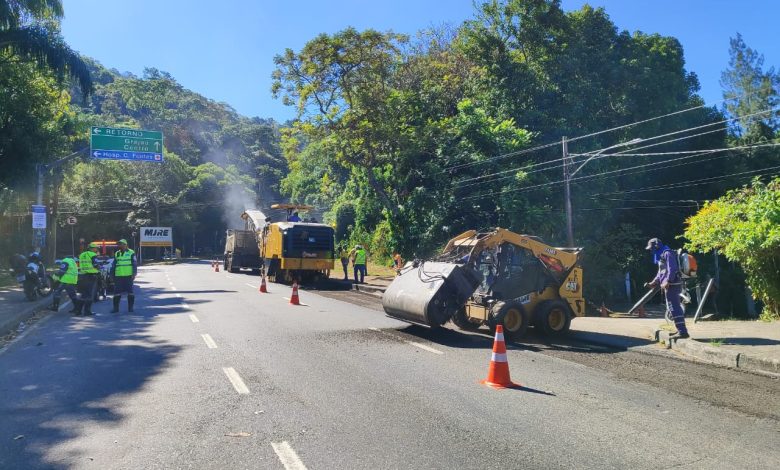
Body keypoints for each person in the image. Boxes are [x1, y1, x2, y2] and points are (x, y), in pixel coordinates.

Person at [645, 238, 689, 339]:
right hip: (669, 285)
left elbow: (672, 269)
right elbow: (661, 272)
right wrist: (654, 282)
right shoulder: (661, 256)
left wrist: (668, 281)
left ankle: (682, 331)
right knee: (672, 307)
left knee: (674, 307)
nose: (651, 251)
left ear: (656, 246)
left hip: (672, 284)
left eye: (651, 248)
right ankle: (680, 330)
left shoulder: (667, 253)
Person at [111, 239, 137, 313]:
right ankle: (115, 309)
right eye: (119, 244)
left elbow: (134, 264)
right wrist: (112, 275)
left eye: (121, 244)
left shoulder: (131, 252)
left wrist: (134, 273)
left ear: (125, 245)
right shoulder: (117, 253)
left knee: (130, 292)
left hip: (128, 276)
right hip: (118, 276)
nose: (119, 245)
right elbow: (114, 265)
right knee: (116, 293)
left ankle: (130, 308)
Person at [76, 242, 101, 316]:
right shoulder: (93, 255)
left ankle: (78, 311)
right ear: (92, 248)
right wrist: (99, 268)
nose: (96, 250)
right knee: (89, 295)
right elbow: (95, 264)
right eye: (96, 248)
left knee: (83, 294)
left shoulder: (82, 254)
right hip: (91, 276)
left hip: (82, 276)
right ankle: (87, 311)